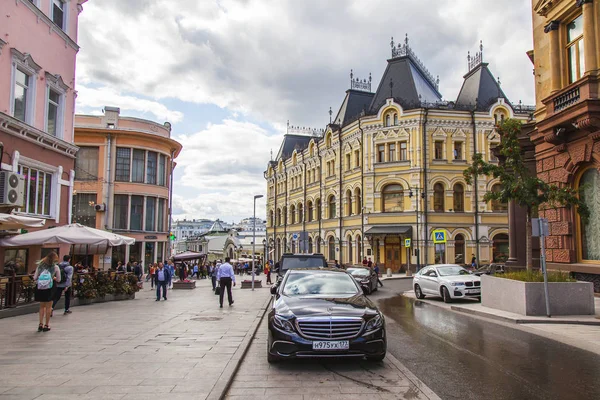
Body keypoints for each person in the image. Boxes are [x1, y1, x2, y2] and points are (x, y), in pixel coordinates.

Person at [33, 252, 60, 332]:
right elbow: (59, 279)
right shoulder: (55, 267)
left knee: (42, 306)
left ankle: (40, 324)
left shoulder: (40, 266)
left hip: (40, 287)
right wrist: (53, 278)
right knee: (49, 307)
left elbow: (35, 277)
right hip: (50, 288)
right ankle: (46, 325)